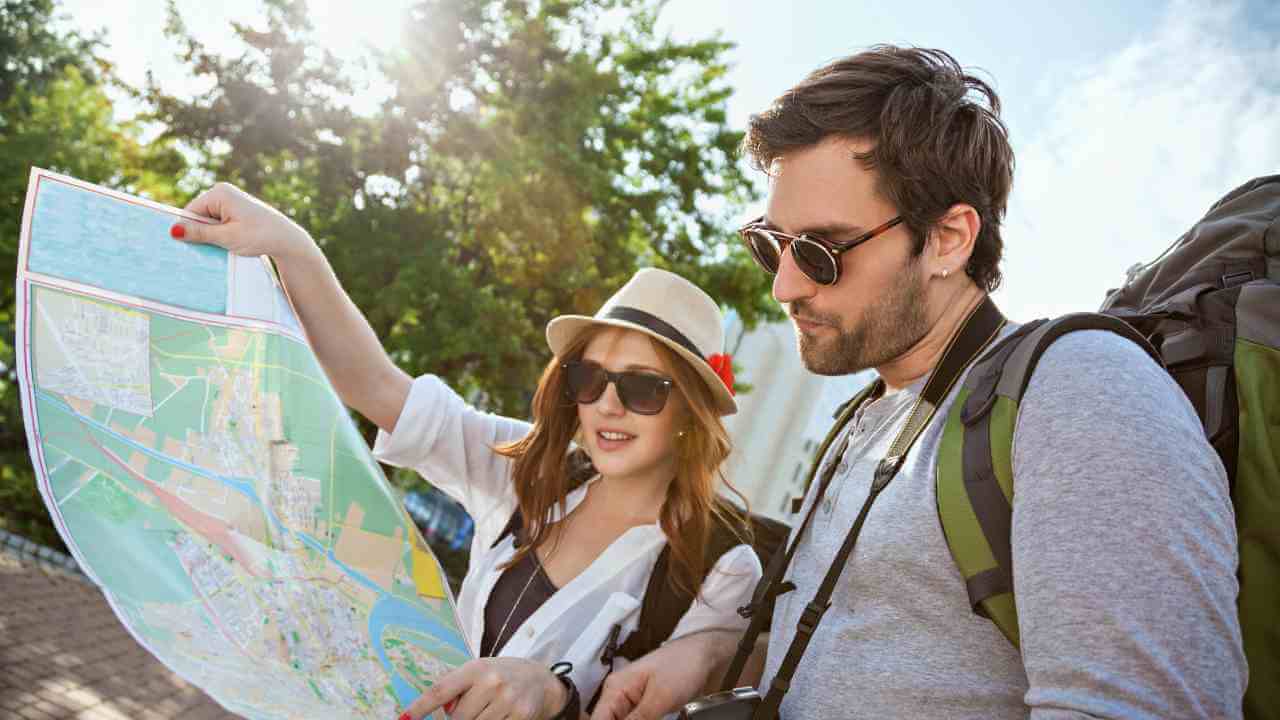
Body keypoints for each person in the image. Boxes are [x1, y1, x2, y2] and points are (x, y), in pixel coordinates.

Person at [591, 45, 1246, 720]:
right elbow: (873, 650)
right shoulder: (863, 416)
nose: (784, 286)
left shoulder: (1080, 394)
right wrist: (710, 654)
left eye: (820, 253)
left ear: (948, 239)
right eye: (771, 244)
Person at [170, 187, 764, 720]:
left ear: (690, 411)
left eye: (641, 388)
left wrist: (557, 699)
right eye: (589, 379)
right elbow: (378, 388)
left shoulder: (721, 566)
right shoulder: (525, 469)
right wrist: (290, 246)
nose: (607, 404)